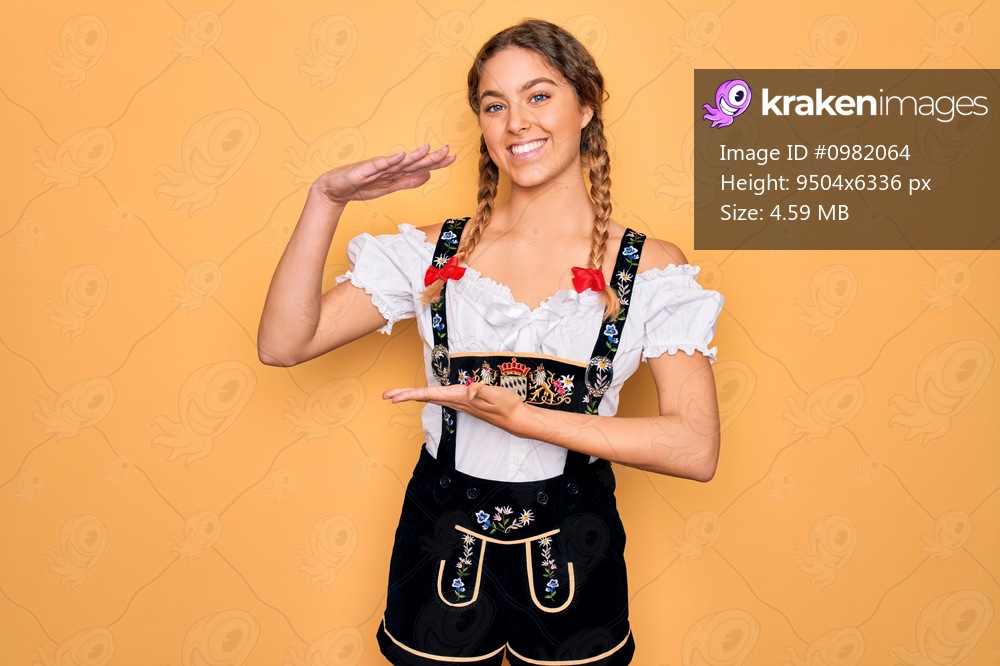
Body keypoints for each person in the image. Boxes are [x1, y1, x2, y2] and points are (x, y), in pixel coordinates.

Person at [258, 19, 723, 666]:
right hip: (437, 547)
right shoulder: (435, 255)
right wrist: (325, 200)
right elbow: (285, 343)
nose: (515, 123)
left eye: (539, 96)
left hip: (576, 556)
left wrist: (527, 419)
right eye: (494, 104)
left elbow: (694, 447)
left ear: (586, 104)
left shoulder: (646, 269)